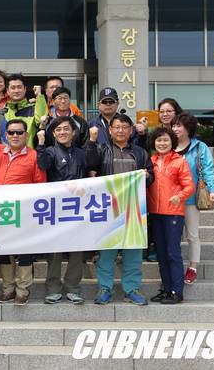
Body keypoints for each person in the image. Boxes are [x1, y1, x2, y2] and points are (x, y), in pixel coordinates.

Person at [0, 113, 47, 305]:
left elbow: (41, 185)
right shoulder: (0, 151)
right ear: (6, 135)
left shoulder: (34, 156)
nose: (15, 136)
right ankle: (8, 289)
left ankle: (22, 291)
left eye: (19, 132)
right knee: (2, 251)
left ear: (26, 135)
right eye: (11, 132)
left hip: (25, 213)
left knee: (25, 253)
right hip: (2, 212)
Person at [85, 114, 154, 306]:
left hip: (134, 209)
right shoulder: (102, 149)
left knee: (133, 252)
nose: (121, 130)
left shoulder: (140, 152)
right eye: (117, 127)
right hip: (108, 210)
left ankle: (132, 289)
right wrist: (91, 141)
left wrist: (147, 176)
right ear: (110, 130)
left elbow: (151, 177)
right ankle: (104, 288)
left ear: (131, 130)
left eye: (125, 127)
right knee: (107, 252)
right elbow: (90, 164)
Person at [36, 116, 87, 305]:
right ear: (53, 133)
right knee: (55, 251)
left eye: (66, 129)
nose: (62, 132)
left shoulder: (81, 153)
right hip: (56, 208)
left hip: (78, 207)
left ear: (74, 132)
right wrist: (41, 144)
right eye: (58, 130)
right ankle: (53, 288)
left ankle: (73, 288)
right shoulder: (49, 151)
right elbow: (42, 165)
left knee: (77, 249)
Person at [147, 127, 195, 304]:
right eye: (159, 140)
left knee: (172, 253)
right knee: (161, 253)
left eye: (165, 140)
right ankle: (166, 289)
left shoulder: (179, 161)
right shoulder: (150, 161)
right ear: (154, 142)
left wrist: (179, 197)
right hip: (155, 213)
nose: (162, 143)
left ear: (172, 142)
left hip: (173, 213)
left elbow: (189, 186)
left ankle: (177, 291)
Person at [172, 113, 214, 285]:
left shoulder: (200, 147)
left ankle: (193, 267)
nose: (175, 129)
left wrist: (212, 189)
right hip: (171, 199)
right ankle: (174, 268)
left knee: (192, 235)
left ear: (188, 128)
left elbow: (208, 169)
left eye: (179, 125)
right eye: (174, 125)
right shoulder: (167, 145)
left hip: (191, 199)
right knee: (173, 237)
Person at [1, 73, 48, 148]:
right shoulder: (3, 112)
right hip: (7, 154)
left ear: (25, 89)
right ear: (7, 91)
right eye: (13, 88)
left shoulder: (33, 108)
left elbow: (41, 120)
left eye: (19, 87)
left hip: (29, 153)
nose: (16, 91)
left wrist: (39, 95)